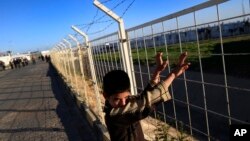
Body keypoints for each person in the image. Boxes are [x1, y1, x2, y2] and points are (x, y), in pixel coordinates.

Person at [102, 52, 190, 141]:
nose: (123, 103)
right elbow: (146, 100)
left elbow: (142, 98)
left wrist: (157, 73)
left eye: (126, 97)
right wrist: (173, 75)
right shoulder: (114, 115)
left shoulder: (117, 107)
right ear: (105, 96)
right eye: (117, 99)